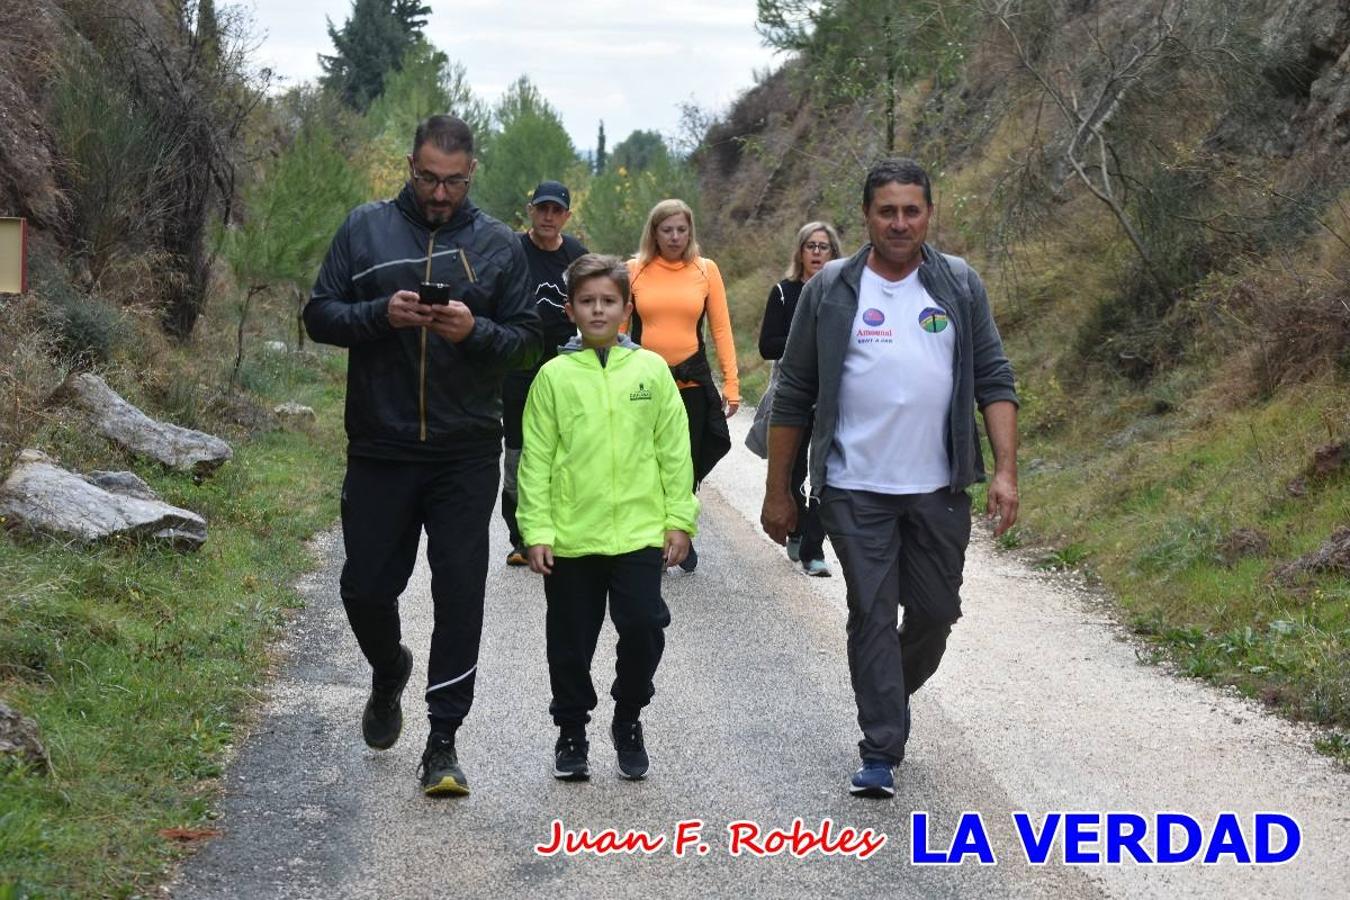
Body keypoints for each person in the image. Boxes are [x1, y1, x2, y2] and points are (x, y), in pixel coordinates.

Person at [760, 158, 1019, 799]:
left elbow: (994, 378)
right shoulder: (832, 290)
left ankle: (886, 697)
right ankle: (880, 747)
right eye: (887, 211)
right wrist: (778, 491)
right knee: (872, 611)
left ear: (929, 213)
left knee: (935, 612)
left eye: (911, 210)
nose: (900, 222)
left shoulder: (958, 285)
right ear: (868, 217)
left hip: (939, 487)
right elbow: (794, 391)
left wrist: (1006, 471)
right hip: (855, 487)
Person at [305, 114, 540, 798]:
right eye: (429, 179)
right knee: (365, 588)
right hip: (380, 444)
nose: (440, 194)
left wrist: (474, 330)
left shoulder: (499, 246)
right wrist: (381, 314)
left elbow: (528, 342)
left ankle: (443, 742)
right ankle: (388, 668)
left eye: (454, 182)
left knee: (460, 593)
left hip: (465, 451)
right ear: (410, 167)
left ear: (473, 175)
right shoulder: (364, 228)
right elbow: (319, 315)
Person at [517, 254, 698, 781]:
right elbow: (537, 460)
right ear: (571, 309)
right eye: (587, 301)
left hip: (640, 535)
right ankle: (571, 729)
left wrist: (679, 520)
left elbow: (673, 451)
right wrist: (537, 530)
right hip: (573, 537)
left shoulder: (650, 371)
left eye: (608, 301)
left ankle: (628, 714)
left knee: (644, 627)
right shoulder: (553, 376)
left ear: (626, 309)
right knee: (571, 642)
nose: (598, 310)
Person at [627, 199, 737, 574]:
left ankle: (680, 530)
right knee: (647, 462)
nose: (674, 237)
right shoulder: (634, 271)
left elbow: (721, 329)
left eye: (681, 229)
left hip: (690, 383)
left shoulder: (705, 270)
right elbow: (622, 330)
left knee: (687, 462)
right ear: (653, 233)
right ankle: (656, 539)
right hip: (645, 384)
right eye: (666, 230)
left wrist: (732, 384)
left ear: (690, 232)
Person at [500, 181, 588, 567]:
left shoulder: (576, 256)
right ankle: (520, 537)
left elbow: (593, 302)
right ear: (530, 210)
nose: (548, 217)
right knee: (519, 451)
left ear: (567, 216)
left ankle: (562, 530)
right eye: (542, 209)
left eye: (556, 211)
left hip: (566, 365)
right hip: (519, 365)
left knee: (564, 450)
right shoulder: (512, 251)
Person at [756, 221, 843, 577]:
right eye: (811, 246)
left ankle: (813, 547)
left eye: (824, 247)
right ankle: (795, 525)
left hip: (834, 394)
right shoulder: (784, 292)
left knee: (824, 470)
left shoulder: (845, 293)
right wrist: (807, 346)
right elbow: (767, 345)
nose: (817, 253)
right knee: (792, 471)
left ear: (835, 253)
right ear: (800, 251)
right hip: (793, 391)